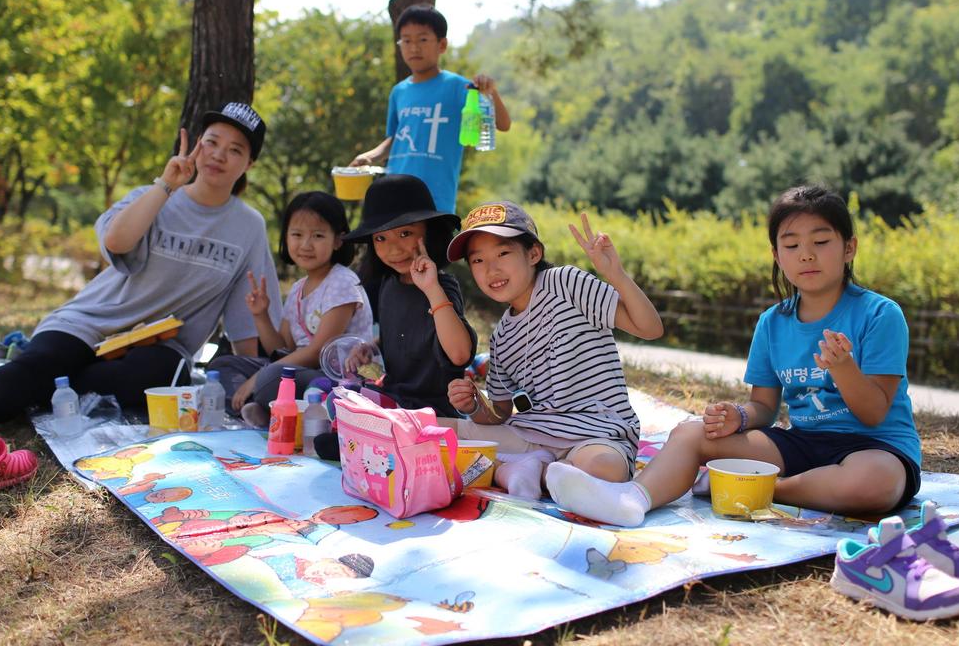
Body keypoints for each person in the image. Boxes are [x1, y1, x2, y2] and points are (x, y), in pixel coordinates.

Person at [0, 103, 283, 456]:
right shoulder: (155, 195)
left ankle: (48, 382)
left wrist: (246, 379)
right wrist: (165, 185)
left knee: (164, 378)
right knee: (43, 360)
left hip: (162, 345)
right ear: (197, 144)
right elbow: (116, 242)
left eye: (235, 150)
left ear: (249, 164)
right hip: (92, 320)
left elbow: (246, 311)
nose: (219, 155)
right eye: (212, 142)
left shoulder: (248, 226)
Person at [546, 184, 922, 526]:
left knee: (874, 484)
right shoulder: (773, 322)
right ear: (777, 255)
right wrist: (738, 416)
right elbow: (765, 408)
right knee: (690, 433)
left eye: (821, 242)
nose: (806, 255)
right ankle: (631, 500)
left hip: (875, 448)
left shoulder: (880, 314)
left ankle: (750, 487)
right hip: (803, 443)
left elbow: (874, 414)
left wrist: (843, 368)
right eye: (791, 246)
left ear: (849, 248)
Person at [444, 202, 664, 499]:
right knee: (433, 431)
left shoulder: (565, 283)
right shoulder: (502, 335)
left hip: (593, 435)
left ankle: (517, 471)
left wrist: (616, 274)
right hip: (529, 435)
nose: (491, 269)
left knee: (606, 468)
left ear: (533, 254)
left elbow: (650, 328)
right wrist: (472, 406)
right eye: (478, 260)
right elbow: (501, 414)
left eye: (503, 254)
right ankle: (533, 470)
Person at [206, 191, 373, 423]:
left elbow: (316, 352)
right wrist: (261, 315)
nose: (305, 245)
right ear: (286, 237)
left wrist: (259, 377)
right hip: (298, 371)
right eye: (297, 234)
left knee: (271, 378)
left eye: (317, 235)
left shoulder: (343, 282)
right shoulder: (298, 288)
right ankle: (265, 410)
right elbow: (282, 349)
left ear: (338, 240)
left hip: (336, 377)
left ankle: (270, 410)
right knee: (222, 366)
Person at [338, 173, 477, 418]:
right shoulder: (388, 284)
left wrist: (432, 288)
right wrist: (370, 348)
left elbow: (459, 354)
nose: (393, 248)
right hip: (394, 401)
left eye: (405, 233)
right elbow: (403, 337)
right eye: (380, 238)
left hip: (433, 412)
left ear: (429, 232)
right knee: (339, 400)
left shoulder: (441, 286)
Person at [349, 3, 511, 214]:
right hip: (393, 197)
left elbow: (503, 124)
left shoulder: (459, 87)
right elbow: (395, 138)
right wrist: (370, 157)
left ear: (442, 45)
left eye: (423, 40)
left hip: (436, 201)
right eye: (406, 40)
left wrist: (490, 93)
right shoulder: (399, 92)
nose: (414, 48)